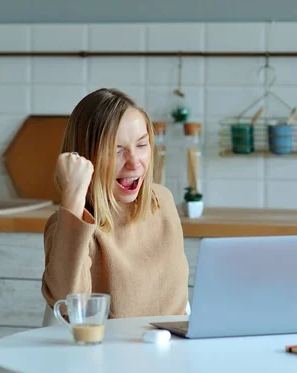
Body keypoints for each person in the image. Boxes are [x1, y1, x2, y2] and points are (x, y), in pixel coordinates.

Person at [41, 88, 189, 318]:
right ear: (86, 157)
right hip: (109, 351)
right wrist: (73, 197)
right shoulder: (71, 226)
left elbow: (177, 304)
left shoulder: (162, 201)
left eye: (142, 145)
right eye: (116, 150)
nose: (134, 163)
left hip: (173, 348)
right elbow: (68, 306)